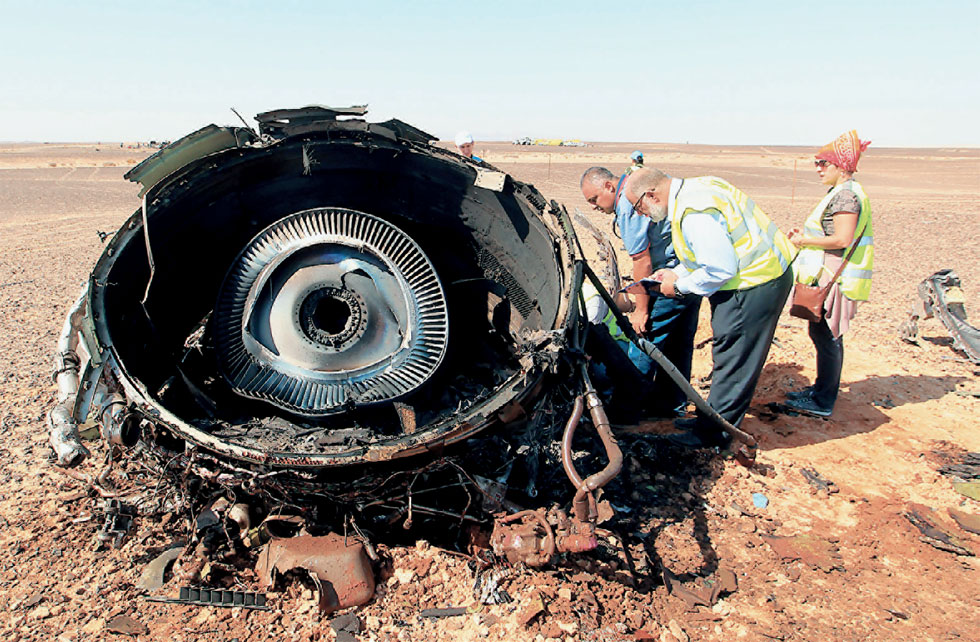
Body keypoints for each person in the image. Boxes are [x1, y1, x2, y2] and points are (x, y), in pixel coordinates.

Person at [624, 168, 797, 449]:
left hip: (753, 283)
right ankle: (711, 420)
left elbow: (719, 267)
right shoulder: (697, 189)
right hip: (761, 275)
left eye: (638, 206)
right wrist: (675, 273)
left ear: (651, 194)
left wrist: (679, 287)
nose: (641, 214)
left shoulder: (693, 213)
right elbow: (704, 255)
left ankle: (715, 436)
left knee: (734, 359)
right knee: (729, 355)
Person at [580, 167, 701, 417]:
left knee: (644, 343)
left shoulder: (627, 202)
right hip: (689, 274)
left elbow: (641, 261)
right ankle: (672, 406)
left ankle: (628, 411)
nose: (594, 206)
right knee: (679, 345)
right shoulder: (634, 195)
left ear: (609, 187)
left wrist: (641, 310)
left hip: (664, 280)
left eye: (594, 199)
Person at [784, 131, 873, 417]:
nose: (818, 169)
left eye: (823, 163)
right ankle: (821, 390)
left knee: (828, 335)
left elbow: (842, 239)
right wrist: (807, 235)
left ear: (841, 166)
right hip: (830, 271)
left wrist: (804, 241)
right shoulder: (841, 192)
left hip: (835, 275)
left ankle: (823, 401)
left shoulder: (846, 195)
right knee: (821, 332)